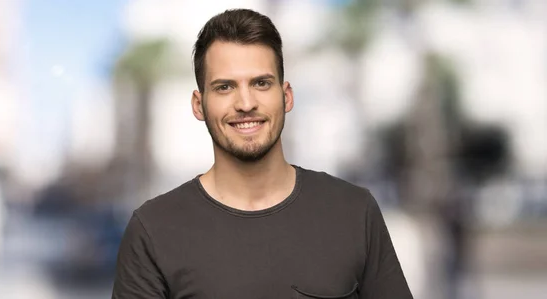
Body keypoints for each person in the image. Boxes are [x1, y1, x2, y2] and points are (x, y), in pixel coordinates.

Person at [111, 8, 412, 299]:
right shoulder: (154, 230)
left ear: (287, 96)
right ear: (199, 105)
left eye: (261, 83)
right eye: (225, 87)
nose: (245, 103)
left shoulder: (354, 212)